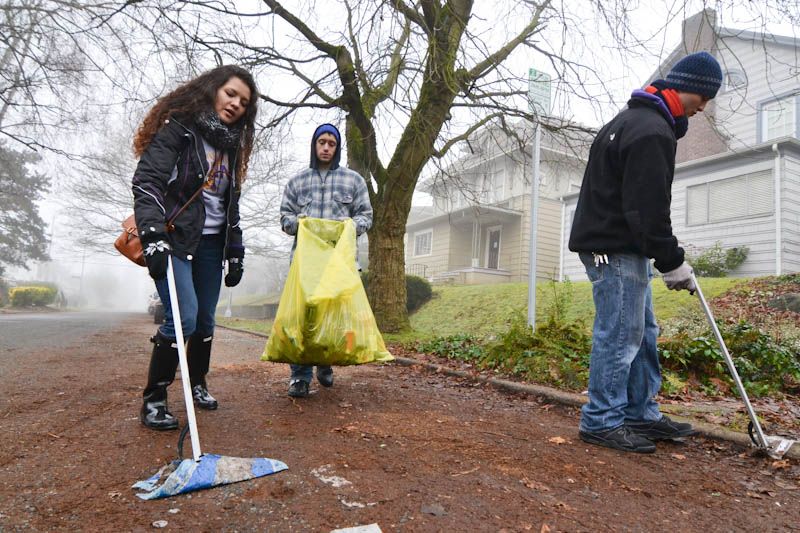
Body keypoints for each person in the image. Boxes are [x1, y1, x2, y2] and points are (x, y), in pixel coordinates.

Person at [568, 52, 723, 453]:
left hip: (621, 247)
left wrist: (663, 255)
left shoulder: (630, 121)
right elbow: (647, 209)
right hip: (614, 248)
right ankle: (602, 420)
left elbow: (638, 206)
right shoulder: (651, 130)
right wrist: (671, 260)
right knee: (620, 335)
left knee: (642, 333)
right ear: (682, 84)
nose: (703, 106)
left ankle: (640, 412)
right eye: (702, 96)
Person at [132, 65, 258, 430]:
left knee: (204, 321)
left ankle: (197, 382)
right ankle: (154, 400)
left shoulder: (231, 147)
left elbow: (228, 205)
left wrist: (236, 251)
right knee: (184, 317)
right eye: (231, 93)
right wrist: (153, 235)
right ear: (213, 90)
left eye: (244, 102)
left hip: (211, 246)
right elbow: (148, 182)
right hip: (174, 238)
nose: (236, 104)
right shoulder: (179, 129)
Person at [279, 123, 373, 398]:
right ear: (314, 145)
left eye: (332, 143)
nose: (326, 147)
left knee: (332, 315)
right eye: (322, 142)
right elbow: (284, 218)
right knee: (304, 317)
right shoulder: (297, 182)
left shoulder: (354, 181)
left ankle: (325, 359)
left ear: (337, 148)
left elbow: (366, 216)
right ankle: (299, 376)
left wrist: (350, 225)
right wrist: (299, 224)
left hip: (339, 263)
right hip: (305, 264)